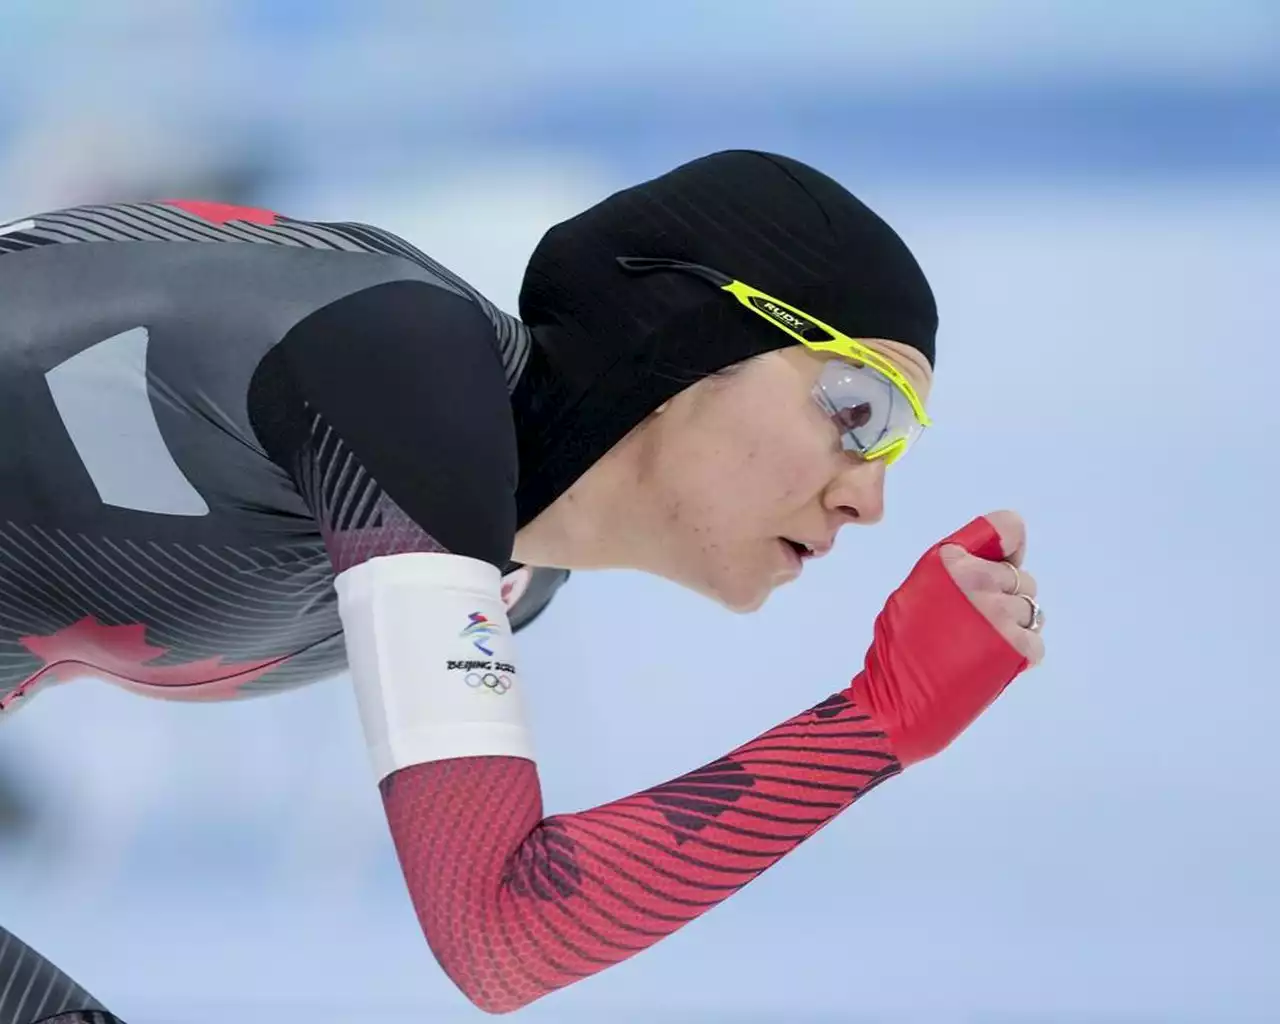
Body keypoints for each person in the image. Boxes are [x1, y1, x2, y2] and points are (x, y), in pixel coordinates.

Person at [0, 150, 1045, 1021]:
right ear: (691, 331)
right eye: (860, 407)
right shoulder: (400, 365)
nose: (868, 495)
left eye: (899, 442)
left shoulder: (506, 580)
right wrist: (873, 723)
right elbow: (500, 931)